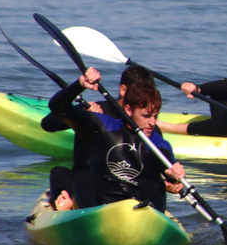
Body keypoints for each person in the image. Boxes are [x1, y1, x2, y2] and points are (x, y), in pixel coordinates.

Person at [46, 67, 185, 212]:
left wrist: (173, 175)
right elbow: (57, 107)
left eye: (155, 116)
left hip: (136, 198)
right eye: (146, 116)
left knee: (155, 183)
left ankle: (152, 216)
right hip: (102, 195)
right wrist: (79, 85)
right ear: (129, 110)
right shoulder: (102, 123)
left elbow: (164, 159)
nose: (152, 123)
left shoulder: (155, 138)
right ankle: (74, 207)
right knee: (69, 174)